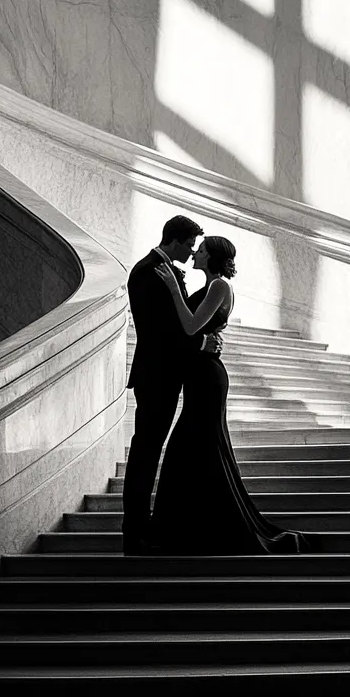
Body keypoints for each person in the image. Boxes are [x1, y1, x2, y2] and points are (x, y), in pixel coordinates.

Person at [149, 235, 317, 554]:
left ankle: (193, 530)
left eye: (202, 250)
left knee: (192, 446)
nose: (196, 253)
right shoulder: (210, 287)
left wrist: (173, 289)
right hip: (199, 375)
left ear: (213, 257)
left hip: (208, 377)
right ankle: (188, 529)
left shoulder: (219, 286)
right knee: (192, 449)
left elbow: (190, 326)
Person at [123, 215, 222, 555]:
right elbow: (159, 331)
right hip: (155, 376)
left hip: (165, 376)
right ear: (177, 242)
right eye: (191, 245)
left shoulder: (162, 270)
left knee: (149, 452)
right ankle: (135, 534)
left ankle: (143, 529)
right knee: (145, 453)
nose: (193, 251)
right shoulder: (148, 271)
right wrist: (200, 344)